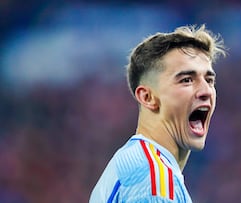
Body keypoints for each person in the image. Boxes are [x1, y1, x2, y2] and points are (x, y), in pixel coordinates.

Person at [89, 24, 226, 202]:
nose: (206, 91)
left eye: (209, 80)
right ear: (147, 97)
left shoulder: (134, 162)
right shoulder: (156, 184)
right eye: (186, 80)